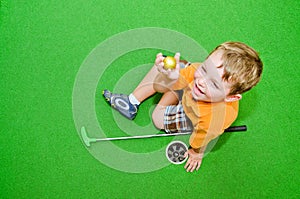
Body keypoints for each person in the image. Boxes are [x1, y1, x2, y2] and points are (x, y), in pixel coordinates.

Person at [103, 41, 263, 172]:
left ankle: (169, 99)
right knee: (167, 65)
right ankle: (132, 102)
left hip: (191, 114)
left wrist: (196, 152)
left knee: (157, 118)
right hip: (187, 94)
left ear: (231, 97)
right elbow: (160, 87)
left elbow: (201, 139)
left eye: (214, 83)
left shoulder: (214, 120)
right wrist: (169, 78)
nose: (201, 81)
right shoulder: (197, 72)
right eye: (205, 68)